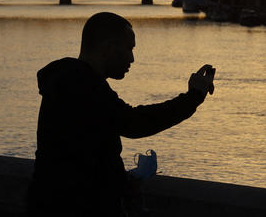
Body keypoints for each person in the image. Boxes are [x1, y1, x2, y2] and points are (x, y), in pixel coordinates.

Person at [29, 12, 215, 216]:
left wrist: (120, 180)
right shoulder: (83, 86)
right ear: (108, 48)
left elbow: (82, 155)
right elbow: (134, 123)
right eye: (129, 48)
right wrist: (192, 98)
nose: (132, 58)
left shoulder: (68, 82)